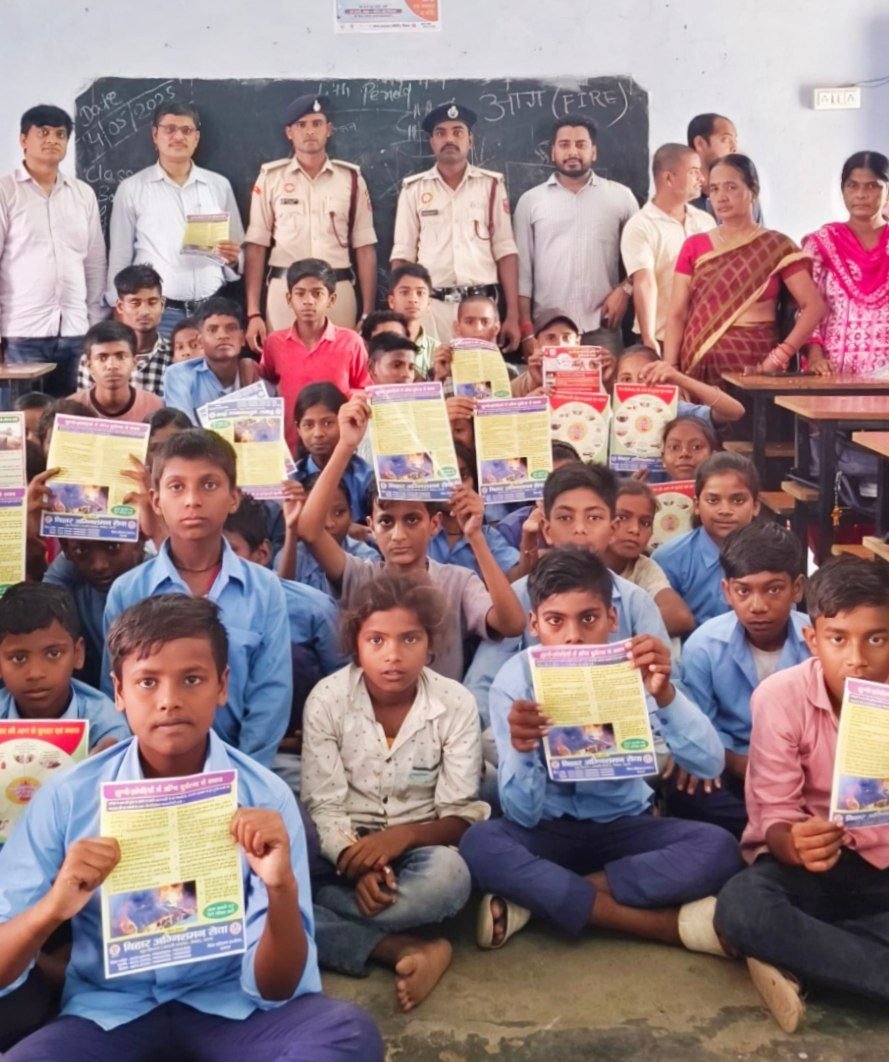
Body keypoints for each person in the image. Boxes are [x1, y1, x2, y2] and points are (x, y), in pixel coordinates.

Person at [0, 593, 381, 1058]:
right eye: (146, 683)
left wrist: (279, 888)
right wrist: (53, 907)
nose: (169, 702)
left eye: (192, 679)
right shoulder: (68, 797)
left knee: (348, 1034)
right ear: (118, 692)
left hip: (233, 1009)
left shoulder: (264, 798)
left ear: (222, 686)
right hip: (112, 1013)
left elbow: (278, 987)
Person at [458, 548, 742, 952]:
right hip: (547, 830)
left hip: (624, 824)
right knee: (479, 844)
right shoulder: (516, 679)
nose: (573, 635)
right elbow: (521, 812)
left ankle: (540, 901)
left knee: (718, 849)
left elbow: (709, 762)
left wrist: (666, 697)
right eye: (556, 621)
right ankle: (657, 925)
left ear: (612, 618)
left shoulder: (636, 668)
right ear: (535, 624)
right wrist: (522, 750)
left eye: (588, 618)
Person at [715, 558, 889, 1034]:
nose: (857, 658)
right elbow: (772, 810)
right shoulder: (780, 697)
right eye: (838, 639)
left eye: (876, 638)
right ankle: (837, 959)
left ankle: (807, 961)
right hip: (819, 868)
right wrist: (794, 842)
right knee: (742, 907)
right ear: (813, 640)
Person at [303, 572, 487, 1011]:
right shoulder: (327, 700)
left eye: (410, 639)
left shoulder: (455, 703)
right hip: (345, 846)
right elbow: (325, 805)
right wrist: (357, 866)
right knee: (270, 885)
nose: (393, 656)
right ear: (356, 643)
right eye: (377, 640)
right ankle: (408, 946)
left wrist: (400, 838)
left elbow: (460, 814)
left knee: (450, 880)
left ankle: (321, 911)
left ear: (431, 643)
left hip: (421, 845)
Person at [296, 395, 527, 681]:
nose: (398, 535)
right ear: (370, 526)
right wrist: (345, 445)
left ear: (434, 524)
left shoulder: (458, 580)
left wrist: (476, 536)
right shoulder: (361, 575)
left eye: (412, 520)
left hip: (442, 716)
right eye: (386, 522)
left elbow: (512, 624)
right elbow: (309, 530)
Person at [101, 429, 292, 768]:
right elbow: (117, 697)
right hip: (149, 773)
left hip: (243, 765)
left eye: (209, 485)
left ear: (233, 497)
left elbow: (271, 697)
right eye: (177, 487)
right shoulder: (129, 591)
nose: (192, 500)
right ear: (156, 500)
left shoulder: (264, 589)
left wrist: (239, 776)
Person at [464, 462, 671, 724]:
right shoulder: (519, 595)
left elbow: (667, 687)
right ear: (547, 531)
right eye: (565, 518)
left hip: (620, 739)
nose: (580, 528)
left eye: (594, 518)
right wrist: (512, 736)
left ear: (612, 528)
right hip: (536, 736)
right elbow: (482, 688)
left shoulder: (635, 601)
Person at [667, 522, 810, 839]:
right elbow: (701, 725)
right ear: (727, 591)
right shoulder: (704, 645)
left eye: (774, 589)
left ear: (797, 589)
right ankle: (779, 837)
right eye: (744, 591)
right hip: (732, 766)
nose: (758, 606)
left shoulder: (819, 644)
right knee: (687, 788)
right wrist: (737, 763)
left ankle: (765, 836)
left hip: (802, 770)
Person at [663, 154, 825, 383]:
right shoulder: (694, 246)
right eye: (715, 189)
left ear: (753, 190)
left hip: (756, 366)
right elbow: (677, 313)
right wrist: (672, 370)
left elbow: (814, 306)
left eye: (731, 187)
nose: (721, 197)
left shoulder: (777, 247)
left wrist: (778, 357)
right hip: (699, 365)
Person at [244, 94, 377, 349]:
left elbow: (365, 246)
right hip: (285, 292)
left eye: (316, 123)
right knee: (286, 369)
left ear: (328, 130)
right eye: (301, 125)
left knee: (337, 371)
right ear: (289, 133)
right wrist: (253, 312)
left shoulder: (350, 179)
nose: (309, 131)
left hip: (337, 291)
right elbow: (256, 245)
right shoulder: (271, 178)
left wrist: (368, 312)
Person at [106, 102, 243, 336]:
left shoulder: (218, 185)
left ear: (197, 137)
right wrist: (117, 311)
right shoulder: (132, 189)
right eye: (169, 129)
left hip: (213, 310)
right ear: (155, 134)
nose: (178, 136)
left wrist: (233, 259)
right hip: (159, 314)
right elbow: (119, 255)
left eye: (186, 130)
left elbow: (238, 249)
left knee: (210, 374)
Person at [391, 102, 520, 349]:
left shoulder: (491, 186)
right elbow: (403, 255)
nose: (449, 138)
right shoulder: (414, 189)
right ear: (432, 142)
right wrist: (402, 315)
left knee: (481, 382)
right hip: (431, 307)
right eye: (441, 133)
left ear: (470, 140)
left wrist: (513, 315)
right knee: (430, 378)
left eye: (457, 132)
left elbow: (505, 252)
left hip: (480, 310)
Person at [0, 105, 105, 396]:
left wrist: (93, 324)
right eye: (42, 132)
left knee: (70, 428)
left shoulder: (83, 194)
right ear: (23, 140)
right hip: (22, 333)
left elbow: (95, 263)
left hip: (75, 333)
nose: (52, 140)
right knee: (24, 428)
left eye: (60, 134)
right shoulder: (6, 191)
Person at [513, 115, 638, 358]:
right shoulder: (531, 201)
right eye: (564, 145)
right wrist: (528, 332)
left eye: (581, 145)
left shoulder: (621, 197)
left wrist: (626, 290)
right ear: (552, 152)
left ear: (594, 151)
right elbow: (522, 275)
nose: (572, 152)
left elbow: (642, 257)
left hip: (602, 328)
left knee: (605, 395)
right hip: (548, 332)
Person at [258, 259, 371, 452]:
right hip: (290, 448)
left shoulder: (351, 342)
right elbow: (263, 386)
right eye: (300, 293)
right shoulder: (274, 343)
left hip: (339, 447)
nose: (308, 301)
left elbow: (365, 390)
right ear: (288, 299)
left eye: (317, 293)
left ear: (332, 299)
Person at [0, 582, 129, 751]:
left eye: (54, 654)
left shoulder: (106, 725)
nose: (36, 673)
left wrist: (102, 764)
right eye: (18, 658)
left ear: (78, 654)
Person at [620, 144, 716, 353]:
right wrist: (649, 339)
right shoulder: (641, 225)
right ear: (669, 178)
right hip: (660, 339)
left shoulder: (705, 221)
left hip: (702, 337)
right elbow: (644, 282)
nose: (701, 178)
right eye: (693, 172)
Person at [803, 150, 889, 376]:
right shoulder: (823, 243)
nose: (861, 194)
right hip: (833, 372)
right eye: (853, 186)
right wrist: (815, 357)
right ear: (843, 191)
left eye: (872, 186)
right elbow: (808, 307)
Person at [652, 453, 761, 627]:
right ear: (696, 506)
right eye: (713, 500)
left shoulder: (771, 555)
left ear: (755, 506)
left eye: (738, 500)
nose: (725, 510)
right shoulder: (669, 558)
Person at [42, 536, 146, 689]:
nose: (99, 565)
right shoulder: (67, 572)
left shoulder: (153, 582)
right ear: (65, 549)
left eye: (113, 547)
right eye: (82, 550)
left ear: (139, 542)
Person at [603, 479, 695, 639]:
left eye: (645, 523)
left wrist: (614, 634)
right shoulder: (581, 561)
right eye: (623, 517)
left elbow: (680, 617)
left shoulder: (643, 567)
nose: (634, 529)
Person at [162, 297, 262, 423]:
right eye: (212, 330)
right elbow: (183, 433)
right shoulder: (178, 375)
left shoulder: (253, 372)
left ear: (242, 338)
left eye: (231, 328)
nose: (223, 336)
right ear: (200, 341)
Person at [277, 473, 379, 597]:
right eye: (319, 516)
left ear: (351, 514)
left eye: (339, 513)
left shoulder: (366, 556)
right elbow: (281, 597)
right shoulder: (292, 555)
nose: (330, 524)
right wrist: (291, 529)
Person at [75, 265, 172, 396]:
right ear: (120, 306)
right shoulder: (95, 358)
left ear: (162, 304)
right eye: (135, 303)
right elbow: (85, 411)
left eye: (152, 302)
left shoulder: (175, 354)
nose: (144, 311)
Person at [428, 442, 521, 578]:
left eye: (464, 476)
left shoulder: (488, 536)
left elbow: (516, 580)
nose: (455, 485)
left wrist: (529, 544)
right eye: (443, 476)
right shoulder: (418, 530)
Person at [291, 382, 373, 523]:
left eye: (328, 423)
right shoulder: (293, 479)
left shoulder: (365, 477)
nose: (318, 433)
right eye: (308, 425)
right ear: (298, 429)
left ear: (344, 423)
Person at [614, 344, 745, 427]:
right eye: (626, 379)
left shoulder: (674, 410)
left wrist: (679, 378)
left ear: (660, 380)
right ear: (615, 383)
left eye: (645, 378)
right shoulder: (609, 413)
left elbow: (735, 411)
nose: (635, 386)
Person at [69, 321, 163, 422]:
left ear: (134, 362)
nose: (112, 365)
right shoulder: (70, 409)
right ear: (89, 365)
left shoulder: (155, 407)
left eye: (121, 356)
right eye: (102, 358)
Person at [686, 113, 763, 223]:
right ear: (700, 143)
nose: (734, 148)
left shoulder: (746, 196)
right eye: (725, 139)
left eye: (735, 141)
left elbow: (760, 237)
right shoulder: (682, 200)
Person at [387, 263, 438, 377]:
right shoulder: (375, 347)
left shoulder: (438, 352)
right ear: (391, 301)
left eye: (420, 293)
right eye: (405, 292)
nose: (413, 299)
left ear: (429, 302)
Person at [661, 415, 718, 482]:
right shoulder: (650, 492)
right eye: (674, 447)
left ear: (713, 456)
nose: (684, 453)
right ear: (663, 458)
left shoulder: (727, 491)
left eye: (696, 447)